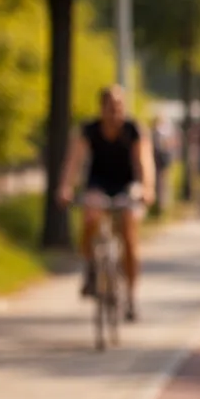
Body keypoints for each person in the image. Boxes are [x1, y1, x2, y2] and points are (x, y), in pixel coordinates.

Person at [58, 85, 155, 321]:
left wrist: (147, 188)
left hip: (126, 184)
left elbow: (144, 161)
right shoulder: (88, 130)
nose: (116, 112)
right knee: (90, 214)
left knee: (129, 230)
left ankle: (131, 297)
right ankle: (90, 266)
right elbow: (74, 162)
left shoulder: (133, 129)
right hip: (98, 183)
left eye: (120, 107)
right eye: (111, 107)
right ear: (101, 108)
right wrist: (66, 187)